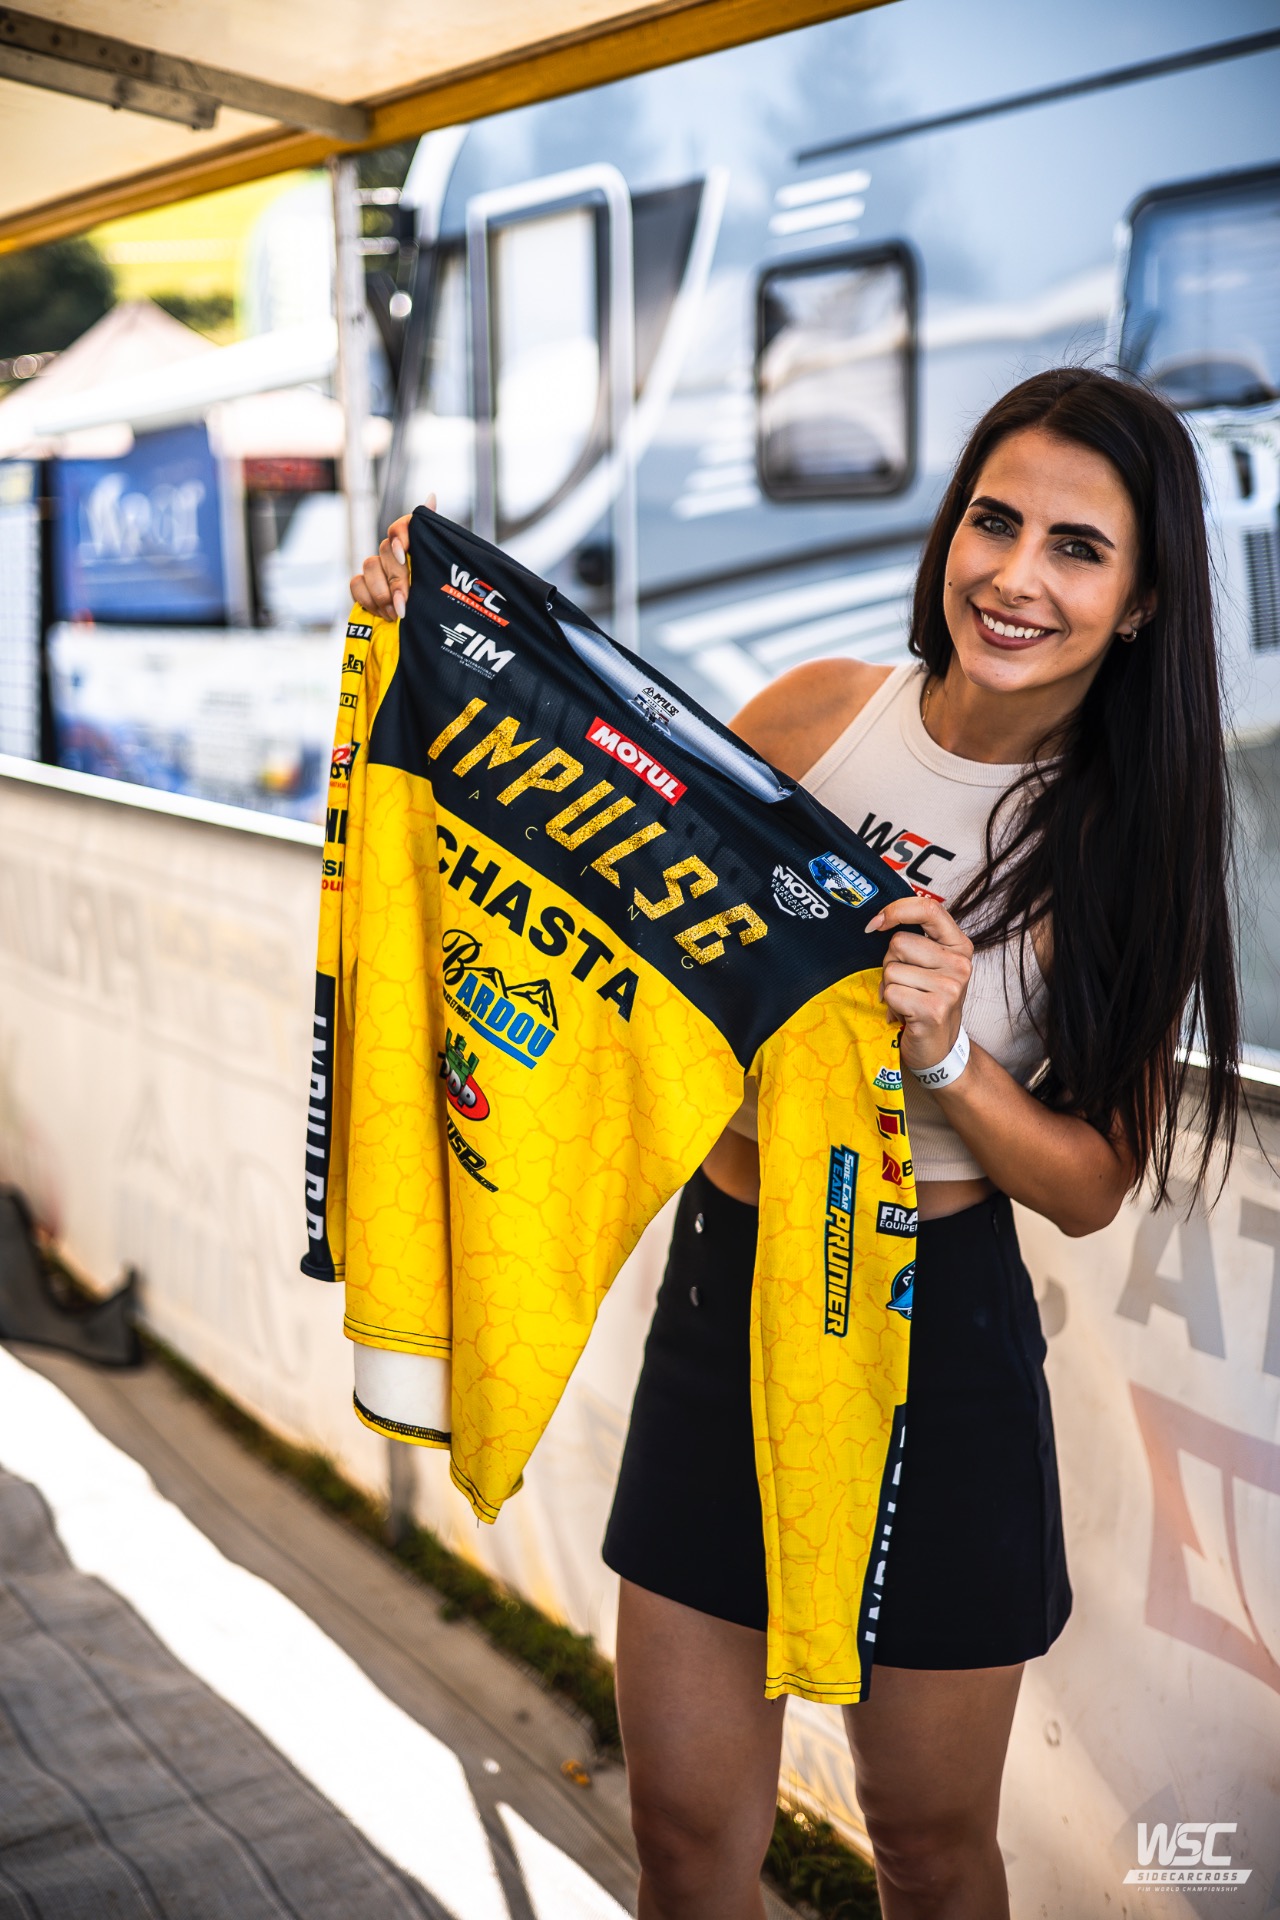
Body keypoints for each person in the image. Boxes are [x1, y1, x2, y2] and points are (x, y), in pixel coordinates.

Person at [352, 368, 1240, 1920]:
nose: (1016, 577)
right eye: (994, 521)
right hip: (723, 1296)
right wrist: (430, 646)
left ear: (1146, 599)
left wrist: (948, 1055)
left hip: (931, 1344)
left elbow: (1094, 1186)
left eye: (1078, 548)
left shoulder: (1126, 839)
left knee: (928, 1850)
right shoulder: (820, 714)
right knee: (689, 1838)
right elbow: (583, 844)